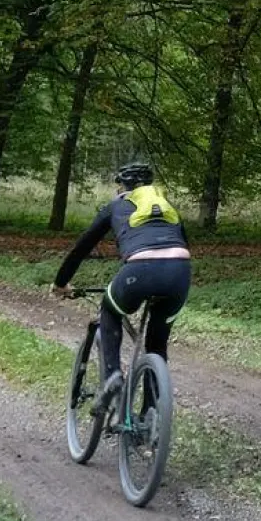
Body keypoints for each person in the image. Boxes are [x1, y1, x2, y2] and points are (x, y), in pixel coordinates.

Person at [51, 162, 190, 416]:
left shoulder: (115, 206)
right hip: (179, 273)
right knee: (157, 345)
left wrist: (61, 282)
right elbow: (183, 244)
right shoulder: (168, 208)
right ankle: (151, 415)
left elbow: (81, 248)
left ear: (121, 187)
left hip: (139, 270)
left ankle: (112, 376)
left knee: (110, 308)